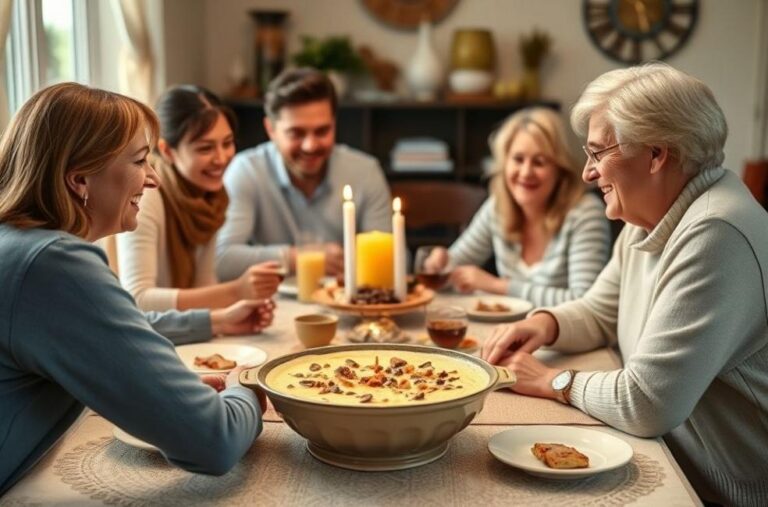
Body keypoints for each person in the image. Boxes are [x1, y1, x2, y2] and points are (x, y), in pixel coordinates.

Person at [482, 63, 768, 506]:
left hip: (726, 490)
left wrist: (552, 381)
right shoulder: (650, 215)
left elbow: (648, 403)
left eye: (599, 153)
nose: (587, 173)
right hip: (680, 460)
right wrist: (544, 324)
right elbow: (600, 310)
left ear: (656, 155)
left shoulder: (715, 231)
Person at [0, 83, 270, 494]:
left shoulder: (17, 245)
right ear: (79, 179)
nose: (154, 180)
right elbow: (214, 441)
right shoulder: (53, 263)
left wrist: (209, 323)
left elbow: (114, 326)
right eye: (142, 161)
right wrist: (247, 389)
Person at [216, 67, 392, 280]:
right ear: (271, 130)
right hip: (271, 306)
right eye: (296, 133)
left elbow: (393, 259)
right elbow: (220, 259)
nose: (310, 146)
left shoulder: (365, 172)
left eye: (322, 131)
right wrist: (300, 257)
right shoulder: (247, 170)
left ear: (334, 125)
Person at [117, 85, 281, 312]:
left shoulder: (213, 199)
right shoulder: (147, 196)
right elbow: (138, 300)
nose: (222, 158)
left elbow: (204, 284)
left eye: (227, 143)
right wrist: (236, 292)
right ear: (167, 151)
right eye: (205, 148)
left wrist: (232, 315)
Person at [424, 107, 610, 307]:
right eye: (518, 159)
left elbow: (585, 302)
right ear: (504, 164)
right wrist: (438, 266)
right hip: (509, 330)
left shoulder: (586, 213)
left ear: (560, 169)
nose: (526, 172)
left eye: (539, 162)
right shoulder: (498, 207)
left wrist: (498, 286)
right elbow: (449, 274)